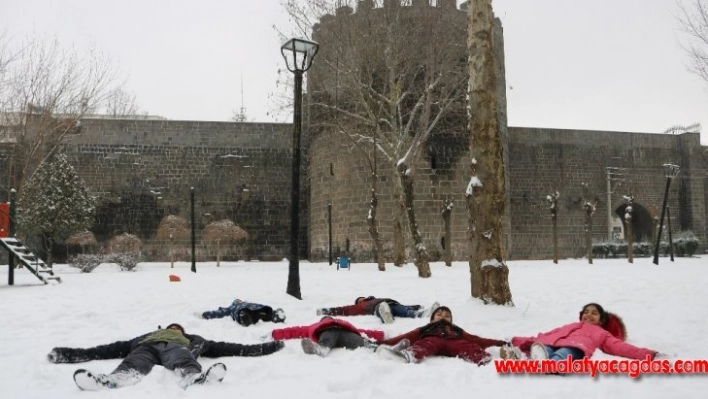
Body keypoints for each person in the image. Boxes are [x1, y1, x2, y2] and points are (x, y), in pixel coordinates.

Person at [47, 322, 284, 390]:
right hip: (147, 348)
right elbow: (106, 349)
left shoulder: (191, 340)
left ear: (182, 331)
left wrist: (266, 347)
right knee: (134, 361)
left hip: (176, 351)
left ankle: (193, 378)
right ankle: (113, 380)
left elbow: (229, 347)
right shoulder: (146, 336)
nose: (174, 329)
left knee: (183, 358)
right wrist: (67, 355)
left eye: (177, 329)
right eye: (171, 328)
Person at [506, 303, 659, 363]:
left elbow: (620, 347)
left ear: (601, 321)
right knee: (543, 346)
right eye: (586, 312)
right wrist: (515, 340)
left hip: (576, 348)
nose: (589, 315)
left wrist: (649, 355)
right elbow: (546, 335)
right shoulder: (571, 325)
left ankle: (552, 364)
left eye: (594, 313)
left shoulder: (602, 333)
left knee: (566, 351)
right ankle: (534, 357)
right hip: (552, 344)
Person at [375, 306, 506, 365]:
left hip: (454, 341)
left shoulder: (456, 330)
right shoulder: (427, 328)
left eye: (447, 316)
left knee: (467, 346)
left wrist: (499, 343)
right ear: (432, 319)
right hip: (433, 339)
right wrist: (379, 344)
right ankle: (408, 355)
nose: (443, 317)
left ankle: (485, 360)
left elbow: (475, 339)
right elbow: (408, 335)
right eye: (439, 314)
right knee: (424, 344)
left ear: (451, 320)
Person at [270, 316, 385, 357]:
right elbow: (296, 330)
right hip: (326, 333)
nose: (327, 319)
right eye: (325, 318)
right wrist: (276, 333)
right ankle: (320, 349)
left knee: (360, 340)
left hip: (345, 333)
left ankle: (378, 349)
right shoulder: (318, 326)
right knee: (327, 339)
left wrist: (380, 335)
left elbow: (362, 331)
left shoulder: (340, 323)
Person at [317, 296, 440, 324]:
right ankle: (385, 315)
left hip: (391, 304)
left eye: (362, 298)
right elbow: (344, 310)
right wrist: (324, 311)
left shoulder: (377, 298)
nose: (362, 299)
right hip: (377, 308)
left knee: (406, 311)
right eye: (360, 299)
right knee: (381, 309)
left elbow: (404, 306)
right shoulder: (361, 306)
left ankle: (423, 314)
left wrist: (416, 306)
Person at [200, 299, 286, 326]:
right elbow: (218, 313)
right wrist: (207, 314)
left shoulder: (232, 308)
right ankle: (273, 315)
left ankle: (273, 315)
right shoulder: (231, 308)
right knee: (258, 313)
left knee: (259, 312)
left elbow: (219, 313)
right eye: (237, 300)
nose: (239, 300)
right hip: (249, 310)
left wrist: (207, 314)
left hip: (251, 309)